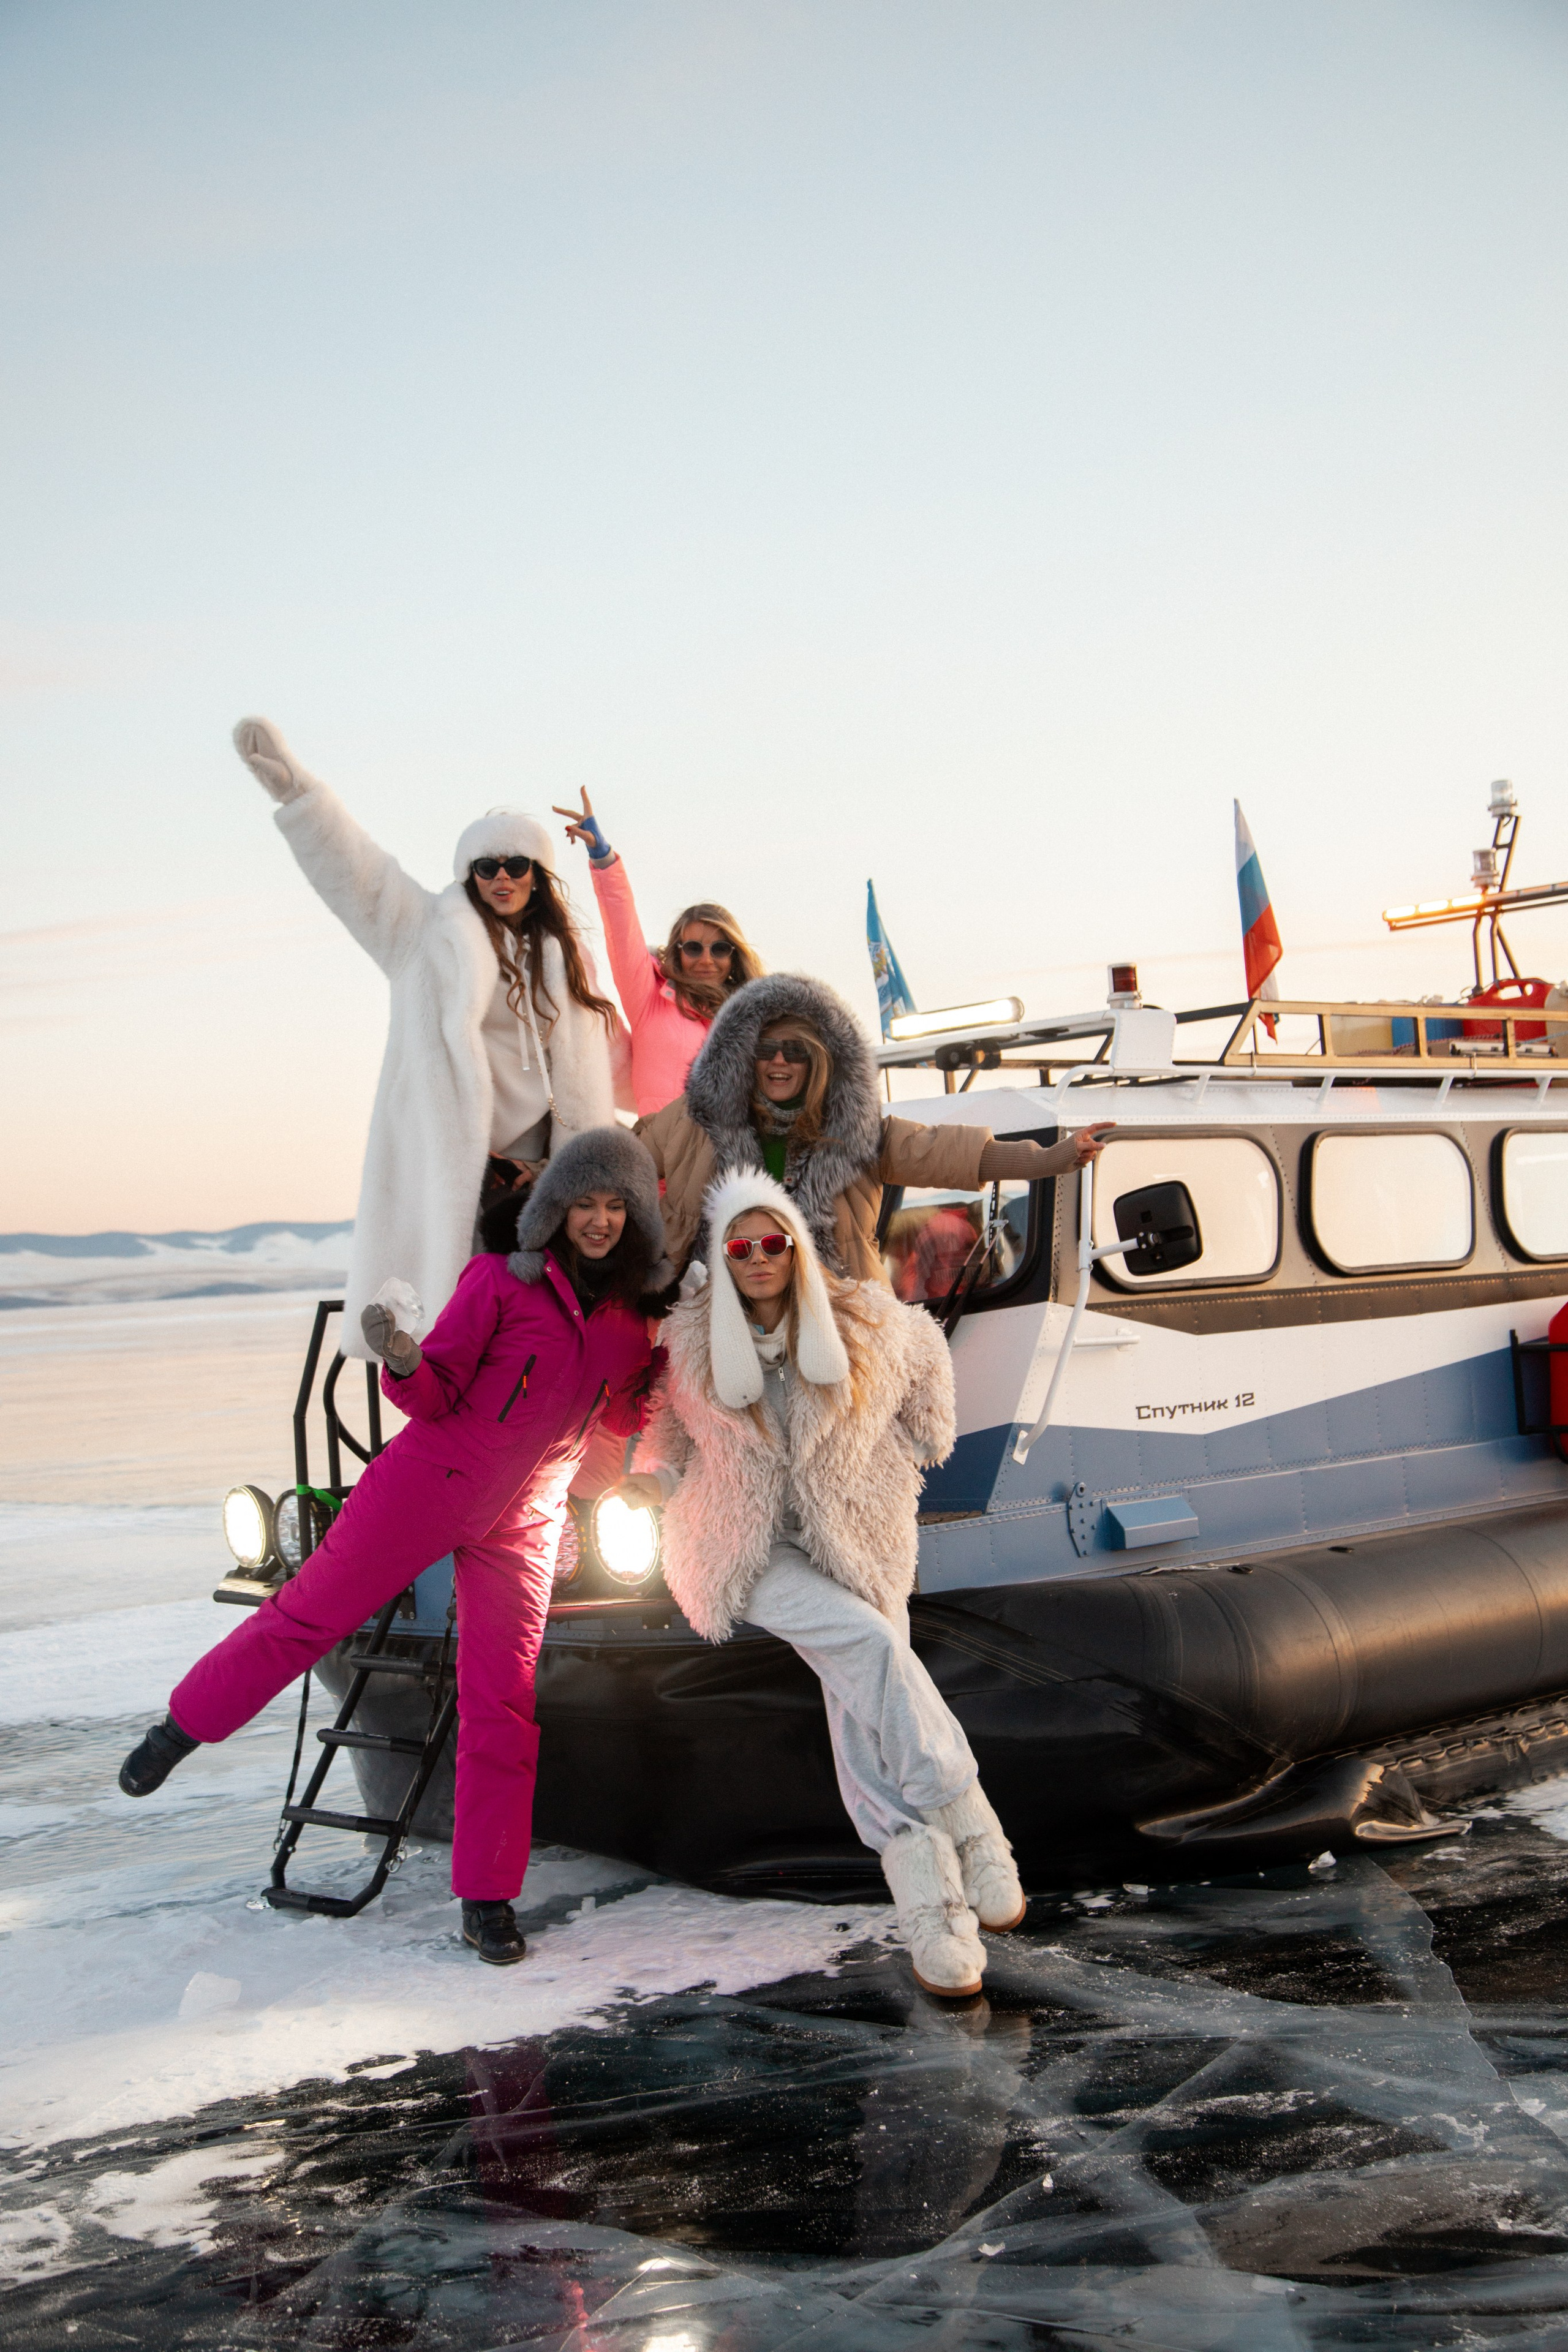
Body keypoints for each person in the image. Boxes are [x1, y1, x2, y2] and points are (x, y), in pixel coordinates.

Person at [117, 1130, 670, 1967]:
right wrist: (403, 1354)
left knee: (503, 1707)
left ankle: (487, 1900)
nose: (599, 1220)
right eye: (585, 1203)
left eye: (616, 1206)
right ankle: (181, 1728)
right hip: (427, 1485)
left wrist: (674, 1376)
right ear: (554, 1209)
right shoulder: (500, 1282)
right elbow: (434, 1390)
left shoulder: (633, 1322)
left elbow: (621, 1419)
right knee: (306, 1616)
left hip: (525, 1524)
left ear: (636, 1220)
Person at [614, 1169, 1021, 1996]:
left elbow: (929, 1411)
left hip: (858, 1541)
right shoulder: (688, 1342)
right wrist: (651, 1492)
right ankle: (975, 1828)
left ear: (796, 1246)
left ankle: (935, 1923)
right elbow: (664, 1447)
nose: (760, 1256)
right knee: (871, 1645)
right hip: (748, 1550)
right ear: (723, 1258)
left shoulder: (868, 1321)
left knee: (859, 1710)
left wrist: (882, 1473)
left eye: (774, 1241)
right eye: (741, 1245)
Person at [232, 717, 623, 1355]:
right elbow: (362, 875)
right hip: (458, 1166)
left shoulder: (563, 956)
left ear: (537, 874)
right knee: (458, 1324)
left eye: (516, 864)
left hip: (549, 1172)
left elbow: (603, 1063)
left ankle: (547, 1450)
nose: (502, 877)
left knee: (545, 1326)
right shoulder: (424, 934)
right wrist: (300, 797)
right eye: (487, 866)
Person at [635, 972, 1112, 1283]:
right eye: (765, 1050)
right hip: (722, 1317)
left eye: (796, 1051)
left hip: (835, 1319)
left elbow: (945, 1152)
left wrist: (1051, 1158)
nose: (779, 1061)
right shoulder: (695, 1120)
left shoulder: (855, 1132)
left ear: (817, 1062)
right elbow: (622, 1165)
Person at [552, 787, 763, 1117]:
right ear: (677, 952)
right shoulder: (650, 998)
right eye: (693, 948)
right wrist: (603, 858)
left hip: (737, 1160)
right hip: (668, 1158)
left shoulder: (753, 1016)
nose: (706, 959)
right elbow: (623, 930)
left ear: (734, 956)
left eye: (719, 949)